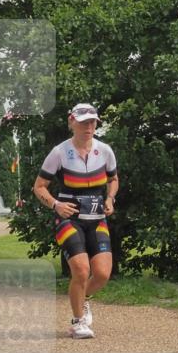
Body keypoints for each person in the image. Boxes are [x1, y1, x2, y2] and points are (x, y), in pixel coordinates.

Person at [33, 103, 119, 340]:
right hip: (68, 220)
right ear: (72, 122)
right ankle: (77, 321)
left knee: (102, 274)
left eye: (93, 122)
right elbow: (39, 187)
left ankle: (84, 299)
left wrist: (110, 198)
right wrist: (55, 205)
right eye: (83, 122)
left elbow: (113, 179)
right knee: (81, 271)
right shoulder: (60, 152)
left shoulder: (105, 151)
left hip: (97, 220)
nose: (89, 127)